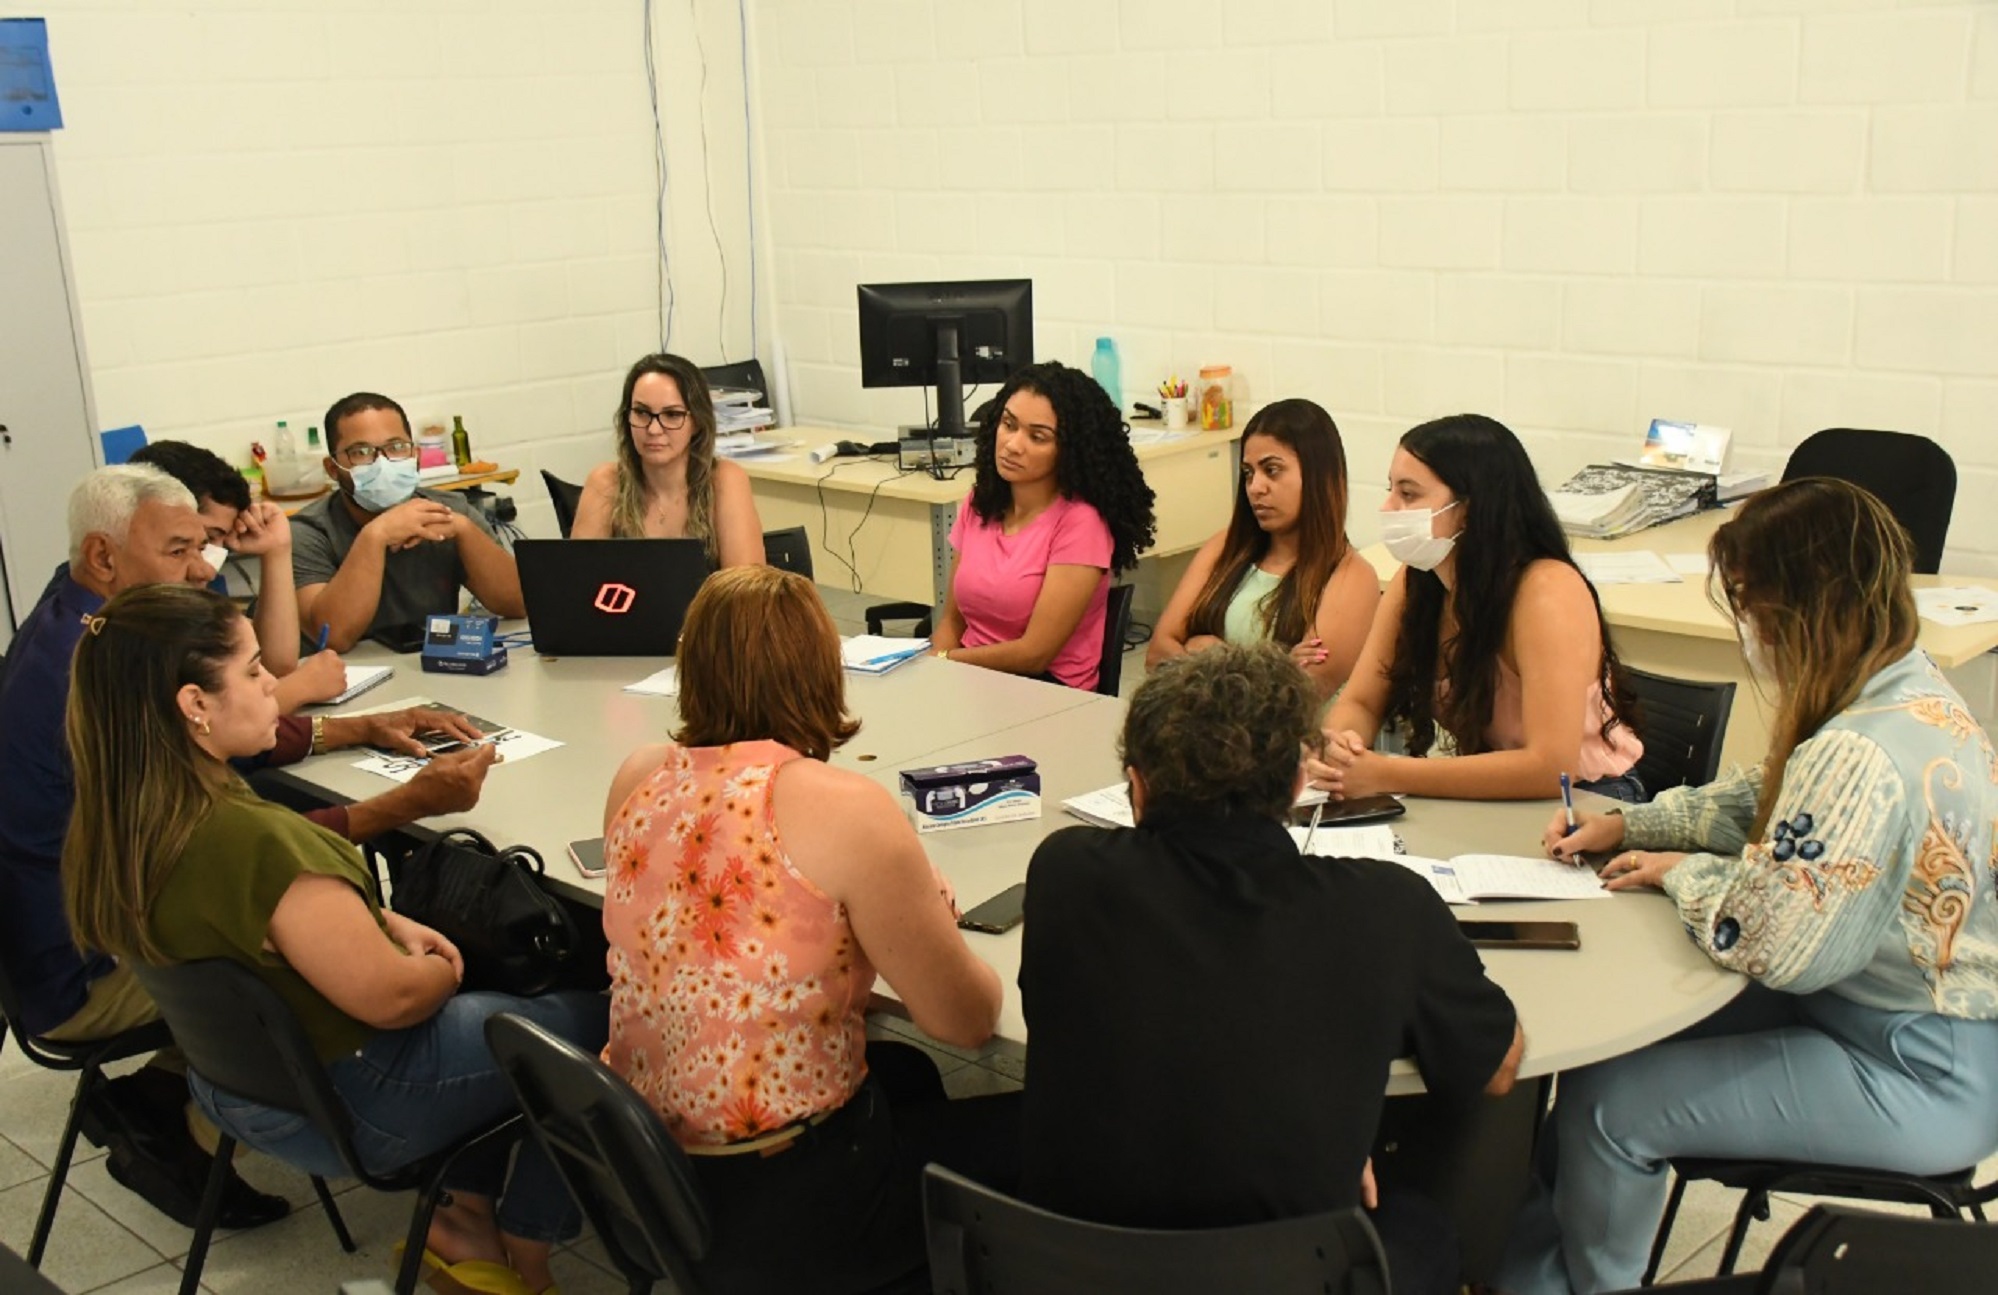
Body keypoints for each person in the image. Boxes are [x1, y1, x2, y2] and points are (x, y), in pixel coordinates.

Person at [1494, 478, 1998, 1295]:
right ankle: (1527, 1265)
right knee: (1609, 1054)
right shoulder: (1901, 687)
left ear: (1800, 606)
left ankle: (1580, 1283)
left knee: (1609, 1108)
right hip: (1883, 1015)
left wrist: (1679, 872)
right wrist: (1637, 823)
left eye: (1749, 603)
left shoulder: (1862, 749)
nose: (1746, 627)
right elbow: (1772, 803)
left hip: (1913, 1068)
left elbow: (1772, 940)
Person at [61, 585, 604, 1295]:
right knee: (610, 1023)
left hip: (239, 1088)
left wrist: (376, 922)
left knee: (501, 1007)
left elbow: (272, 907)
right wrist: (442, 963)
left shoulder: (131, 820)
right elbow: (395, 996)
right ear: (195, 703)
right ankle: (524, 1254)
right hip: (364, 1094)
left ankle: (463, 1214)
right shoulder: (248, 837)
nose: (273, 688)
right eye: (255, 671)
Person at [0, 465, 499, 1230]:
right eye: (178, 550)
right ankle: (165, 1109)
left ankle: (172, 1097)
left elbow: (232, 768)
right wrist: (409, 807)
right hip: (86, 970)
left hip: (81, 931)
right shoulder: (93, 682)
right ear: (104, 558)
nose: (202, 569)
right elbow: (246, 859)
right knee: (454, 965)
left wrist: (354, 725)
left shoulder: (88, 632)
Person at [1019, 644, 1524, 1295]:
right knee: (1426, 1227)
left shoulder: (1064, 870)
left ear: (1136, 784)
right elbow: (1498, 1066)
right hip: (1291, 1273)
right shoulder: (1387, 907)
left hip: (1070, 1270)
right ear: (1295, 783)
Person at [601, 565, 1018, 1293]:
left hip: (649, 1174)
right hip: (785, 1204)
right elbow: (968, 1020)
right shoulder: (841, 806)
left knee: (909, 1075)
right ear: (822, 673)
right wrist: (916, 911)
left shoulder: (636, 774)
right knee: (1045, 1129)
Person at [1308, 414, 1642, 802]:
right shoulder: (1418, 578)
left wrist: (1388, 773)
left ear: (1468, 508)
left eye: (1409, 494)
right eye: (1391, 490)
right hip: (1495, 795)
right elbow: (1361, 701)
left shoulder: (1547, 592)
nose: (1389, 507)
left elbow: (1551, 767)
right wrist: (1342, 746)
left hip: (1590, 798)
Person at [929, 361, 1156, 692]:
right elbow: (952, 618)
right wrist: (940, 662)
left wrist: (946, 661)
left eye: (1037, 437)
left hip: (1046, 691)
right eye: (1008, 425)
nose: (1012, 444)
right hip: (974, 678)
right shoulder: (982, 501)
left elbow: (1034, 654)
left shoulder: (1081, 523)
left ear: (1068, 450)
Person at [1145, 398, 1379, 699]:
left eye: (1272, 470)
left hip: (1293, 744)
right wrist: (1276, 669)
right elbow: (1157, 655)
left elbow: (1296, 699)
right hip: (1208, 738)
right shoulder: (1224, 547)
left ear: (1318, 476)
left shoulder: (1352, 577)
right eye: (1248, 473)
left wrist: (1205, 652)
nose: (1256, 487)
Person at [292, 392, 525, 652]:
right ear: (333, 468)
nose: (382, 462)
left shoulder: (451, 511)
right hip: (343, 679)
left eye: (396, 447)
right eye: (361, 452)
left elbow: (518, 604)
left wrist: (463, 529)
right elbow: (334, 638)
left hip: (430, 667)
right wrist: (374, 537)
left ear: (416, 455)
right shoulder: (309, 532)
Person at [130, 439, 347, 709]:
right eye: (206, 538)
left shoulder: (192, 587)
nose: (207, 566)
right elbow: (189, 726)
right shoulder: (116, 623)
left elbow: (273, 664)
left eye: (218, 540)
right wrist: (299, 689)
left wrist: (277, 550)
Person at [569, 353, 765, 565]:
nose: (653, 429)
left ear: (697, 421)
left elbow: (745, 590)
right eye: (641, 412)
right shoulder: (606, 482)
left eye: (672, 415)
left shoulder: (724, 480)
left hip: (707, 600)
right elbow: (578, 582)